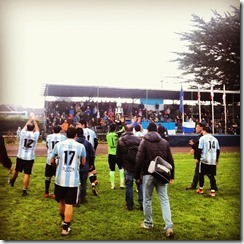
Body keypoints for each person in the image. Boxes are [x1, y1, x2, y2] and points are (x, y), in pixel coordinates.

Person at [135, 122, 175, 238]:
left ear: (147, 131)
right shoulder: (164, 142)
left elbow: (139, 160)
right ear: (157, 130)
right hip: (162, 174)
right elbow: (170, 160)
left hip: (148, 174)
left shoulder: (144, 142)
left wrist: (137, 176)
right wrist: (172, 175)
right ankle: (169, 226)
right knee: (164, 199)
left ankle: (148, 223)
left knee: (147, 199)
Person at [50, 127, 86, 236]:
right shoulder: (81, 146)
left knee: (61, 201)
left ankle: (63, 220)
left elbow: (51, 160)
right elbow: (83, 163)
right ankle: (66, 227)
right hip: (73, 180)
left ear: (66, 134)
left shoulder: (59, 145)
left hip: (60, 178)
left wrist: (57, 165)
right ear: (76, 135)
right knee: (69, 204)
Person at [8, 115, 40, 196]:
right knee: (27, 173)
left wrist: (30, 119)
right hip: (30, 157)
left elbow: (25, 126)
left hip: (21, 155)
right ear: (33, 129)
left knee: (17, 169)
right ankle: (24, 190)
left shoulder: (22, 133)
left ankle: (12, 181)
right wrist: (35, 120)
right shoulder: (35, 135)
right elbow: (37, 129)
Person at [116, 124, 143, 211]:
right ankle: (142, 203)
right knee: (140, 184)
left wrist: (121, 165)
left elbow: (118, 155)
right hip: (138, 165)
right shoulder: (138, 139)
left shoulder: (121, 140)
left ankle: (129, 205)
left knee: (128, 185)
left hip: (127, 165)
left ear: (124, 129)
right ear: (132, 130)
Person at [186, 122, 218, 191]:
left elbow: (199, 148)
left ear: (202, 128)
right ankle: (214, 187)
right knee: (207, 173)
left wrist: (197, 156)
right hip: (208, 157)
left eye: (197, 127)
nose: (196, 128)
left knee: (200, 172)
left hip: (203, 157)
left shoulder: (202, 137)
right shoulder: (203, 136)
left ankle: (196, 186)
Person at [196, 126, 220, 197]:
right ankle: (213, 192)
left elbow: (200, 149)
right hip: (213, 160)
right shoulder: (215, 139)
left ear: (204, 131)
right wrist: (217, 160)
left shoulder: (202, 138)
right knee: (211, 176)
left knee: (201, 174)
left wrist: (198, 158)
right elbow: (218, 150)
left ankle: (201, 189)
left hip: (204, 159)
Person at [75, 127, 97, 204]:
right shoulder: (87, 143)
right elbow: (92, 154)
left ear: (76, 134)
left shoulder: (74, 142)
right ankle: (82, 198)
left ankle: (75, 199)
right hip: (85, 166)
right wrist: (91, 164)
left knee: (75, 183)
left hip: (75, 166)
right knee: (84, 183)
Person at [44, 125, 66, 198]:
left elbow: (47, 145)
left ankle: (46, 192)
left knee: (48, 177)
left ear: (53, 130)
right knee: (58, 177)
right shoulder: (63, 137)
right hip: (59, 159)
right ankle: (55, 193)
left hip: (50, 159)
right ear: (60, 130)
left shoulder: (49, 136)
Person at [106, 123, 125, 189]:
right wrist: (122, 124)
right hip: (118, 154)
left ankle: (112, 185)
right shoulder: (117, 135)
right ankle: (122, 184)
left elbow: (112, 132)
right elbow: (122, 131)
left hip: (110, 154)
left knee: (112, 169)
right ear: (115, 128)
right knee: (121, 168)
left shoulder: (108, 135)